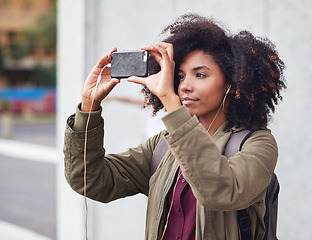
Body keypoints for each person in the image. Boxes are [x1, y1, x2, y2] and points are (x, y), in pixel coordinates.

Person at [63, 13, 286, 240]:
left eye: (200, 74)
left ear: (232, 82)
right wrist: (89, 106)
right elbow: (90, 179)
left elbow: (221, 191)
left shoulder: (257, 144)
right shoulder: (163, 145)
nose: (184, 86)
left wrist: (172, 103)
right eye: (179, 77)